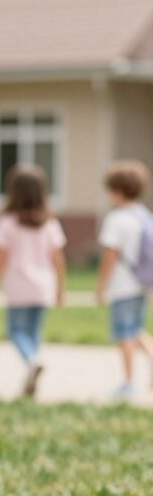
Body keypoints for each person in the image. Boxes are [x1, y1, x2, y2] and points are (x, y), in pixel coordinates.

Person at [0, 165, 66, 398]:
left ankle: (32, 362)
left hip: (18, 286)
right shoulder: (50, 223)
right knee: (33, 332)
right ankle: (33, 366)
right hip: (43, 286)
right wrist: (61, 287)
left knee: (15, 332)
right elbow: (58, 259)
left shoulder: (8, 222)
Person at [96, 160, 153, 398]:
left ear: (116, 191)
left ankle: (129, 382)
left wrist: (100, 287)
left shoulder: (116, 219)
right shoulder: (145, 216)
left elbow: (110, 256)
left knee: (124, 334)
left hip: (123, 285)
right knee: (136, 329)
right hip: (143, 282)